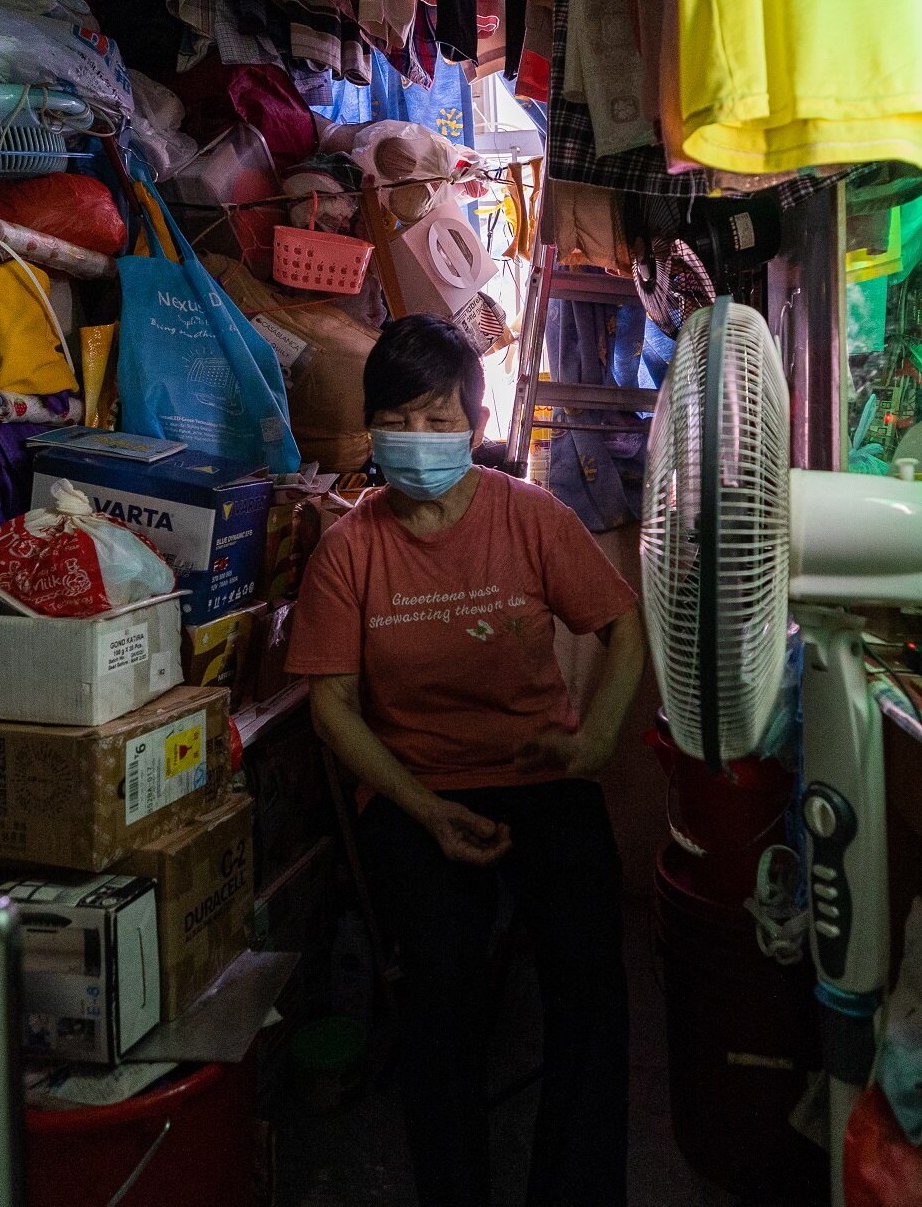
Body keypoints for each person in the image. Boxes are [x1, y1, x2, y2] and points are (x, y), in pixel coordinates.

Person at [288, 314, 646, 1207]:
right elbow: (332, 707)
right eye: (396, 419)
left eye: (438, 416)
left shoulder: (531, 518)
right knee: (438, 987)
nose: (416, 439)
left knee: (592, 977)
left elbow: (622, 627)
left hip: (541, 779)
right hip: (418, 797)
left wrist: (596, 741)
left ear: (473, 420)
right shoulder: (347, 551)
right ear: (372, 429)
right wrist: (425, 808)